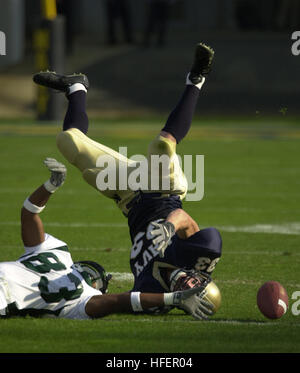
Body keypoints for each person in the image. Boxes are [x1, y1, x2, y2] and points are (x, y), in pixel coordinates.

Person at [32, 42, 222, 317]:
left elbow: (126, 302)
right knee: (162, 146)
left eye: (192, 289)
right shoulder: (199, 257)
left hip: (127, 193)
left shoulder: (150, 289)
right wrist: (169, 228)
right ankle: (196, 80)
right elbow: (185, 219)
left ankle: (76, 89)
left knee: (69, 142)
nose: (190, 282)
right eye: (198, 283)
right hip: (164, 189)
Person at [0, 158, 213, 320]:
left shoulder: (54, 253)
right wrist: (173, 299)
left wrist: (50, 186)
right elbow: (122, 301)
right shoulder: (82, 293)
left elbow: (29, 213)